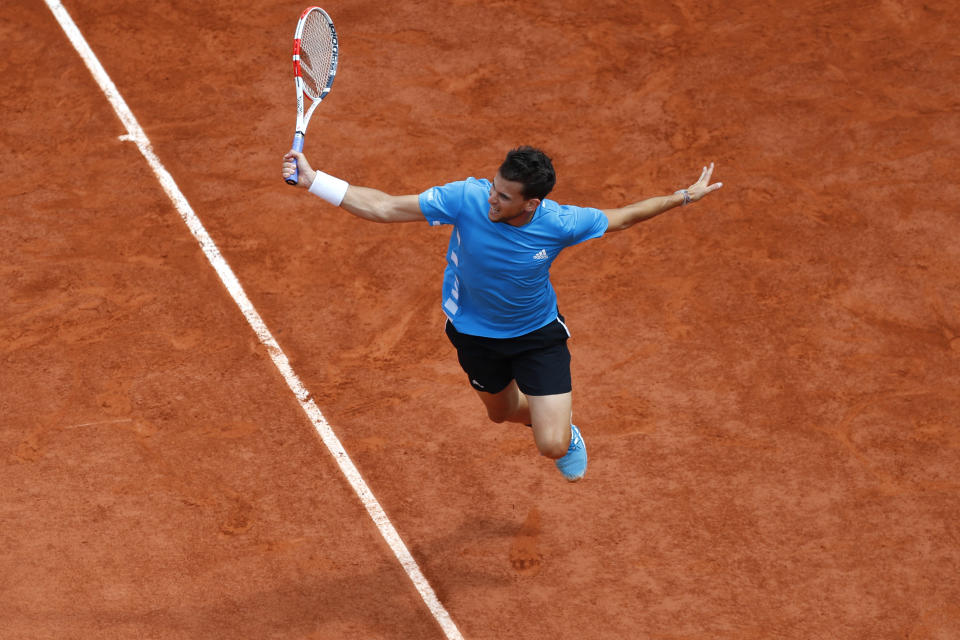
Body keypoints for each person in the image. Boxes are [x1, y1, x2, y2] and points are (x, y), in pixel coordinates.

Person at [281, 146, 722, 481]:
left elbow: (623, 217)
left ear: (531, 204)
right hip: (473, 335)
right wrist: (314, 180)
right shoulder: (466, 198)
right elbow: (383, 206)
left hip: (536, 336)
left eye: (504, 197)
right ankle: (550, 413)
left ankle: (563, 429)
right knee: (501, 413)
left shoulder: (561, 224)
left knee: (550, 444)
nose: (492, 200)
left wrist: (683, 196)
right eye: (494, 188)